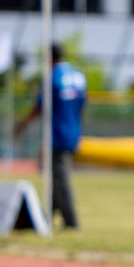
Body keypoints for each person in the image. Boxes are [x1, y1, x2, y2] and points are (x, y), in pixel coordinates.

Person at [15, 43, 87, 229]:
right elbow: (83, 105)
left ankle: (71, 221)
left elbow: (40, 107)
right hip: (73, 131)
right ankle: (46, 216)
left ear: (50, 58)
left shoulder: (52, 78)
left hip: (56, 134)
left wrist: (23, 124)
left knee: (60, 178)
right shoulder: (79, 77)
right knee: (55, 176)